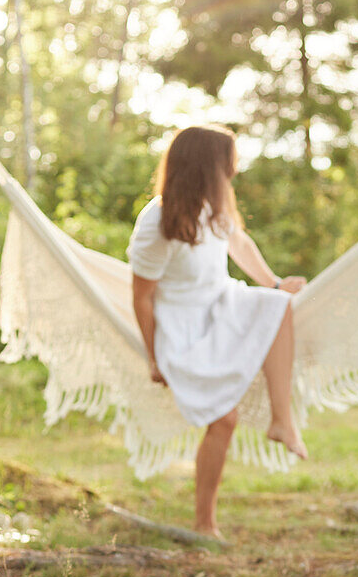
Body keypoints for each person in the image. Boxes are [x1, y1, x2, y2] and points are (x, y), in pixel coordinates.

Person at [128, 124, 307, 538]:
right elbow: (141, 298)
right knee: (224, 420)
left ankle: (282, 419)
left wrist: (275, 283)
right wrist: (154, 358)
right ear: (207, 166)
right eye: (229, 164)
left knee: (279, 306)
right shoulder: (157, 220)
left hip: (221, 304)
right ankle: (204, 522)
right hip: (181, 326)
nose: (234, 171)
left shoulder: (214, 207)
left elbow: (240, 245)